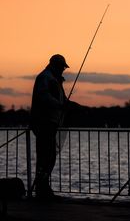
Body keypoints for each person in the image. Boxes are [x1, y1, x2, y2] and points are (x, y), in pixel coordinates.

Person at [30, 54, 80, 199]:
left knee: (49, 156)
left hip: (51, 123)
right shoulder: (46, 78)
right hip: (44, 123)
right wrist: (61, 105)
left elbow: (61, 100)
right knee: (46, 156)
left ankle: (43, 188)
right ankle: (42, 190)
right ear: (55, 65)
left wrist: (72, 105)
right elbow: (44, 97)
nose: (63, 70)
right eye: (62, 67)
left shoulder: (54, 80)